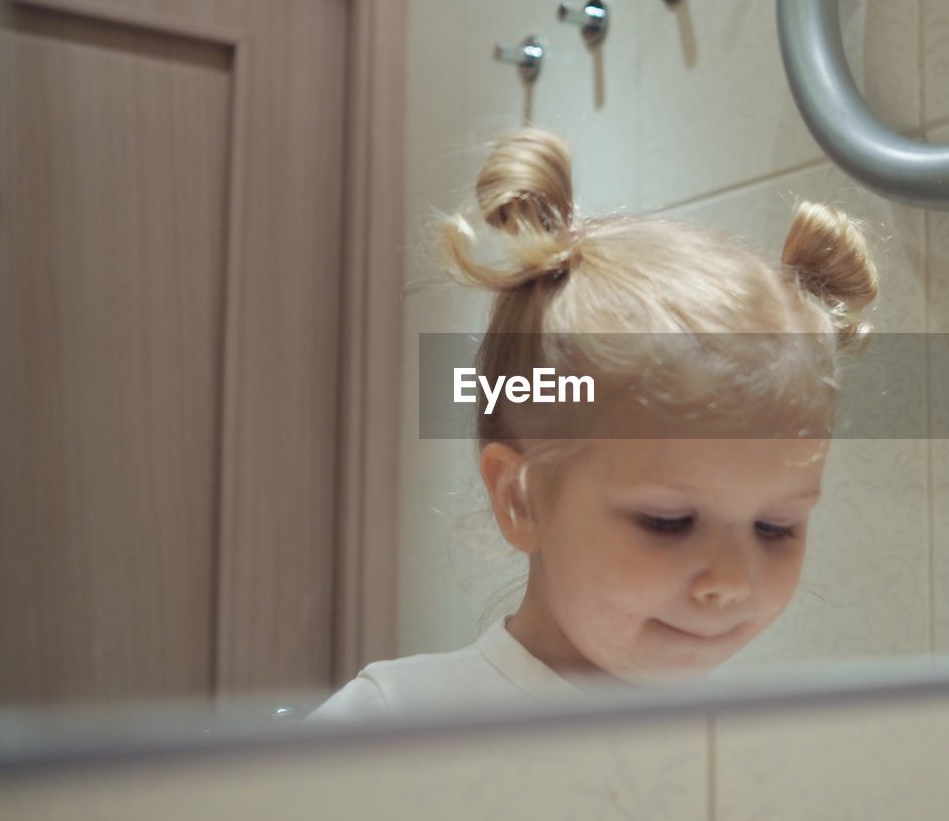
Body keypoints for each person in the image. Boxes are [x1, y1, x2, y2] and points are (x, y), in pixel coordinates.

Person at [310, 128, 878, 721]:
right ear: (520, 498)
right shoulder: (392, 723)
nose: (732, 581)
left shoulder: (757, 747)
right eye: (668, 522)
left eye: (776, 527)